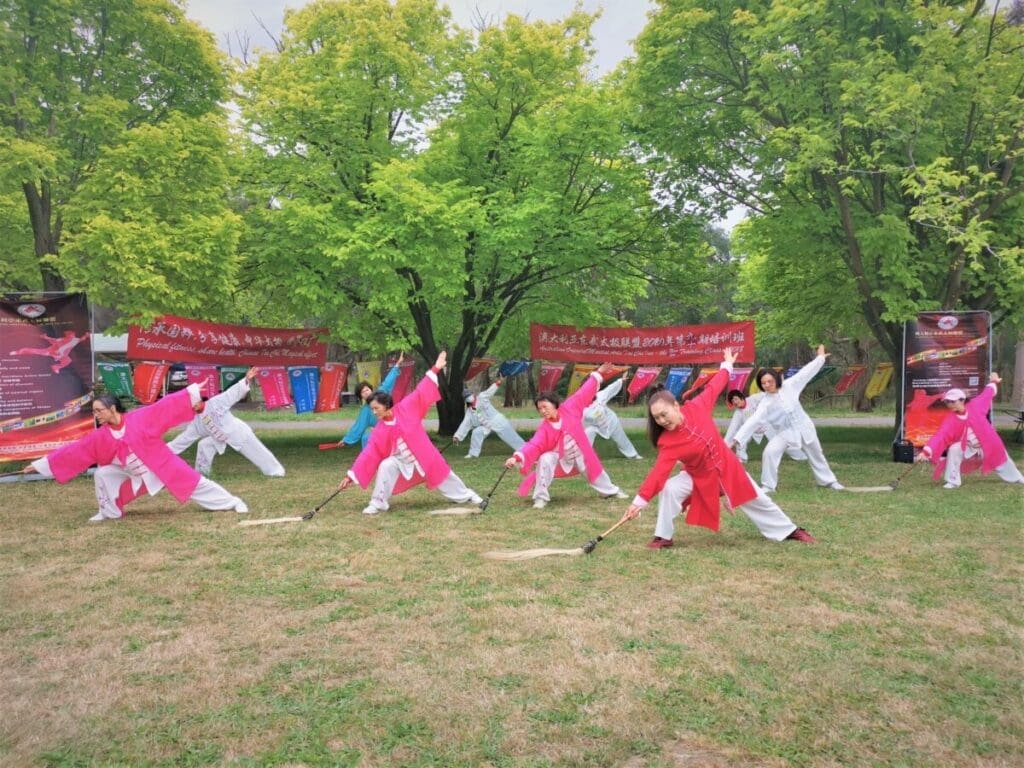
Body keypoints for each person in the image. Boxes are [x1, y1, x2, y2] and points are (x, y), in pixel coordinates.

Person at [619, 348, 815, 548]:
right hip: (699, 476)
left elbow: (715, 385)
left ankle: (790, 530)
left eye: (664, 414)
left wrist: (727, 365)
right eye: (657, 418)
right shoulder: (667, 442)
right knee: (670, 488)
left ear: (676, 406)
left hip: (728, 467)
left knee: (757, 499)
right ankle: (663, 536)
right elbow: (657, 475)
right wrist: (638, 503)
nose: (662, 420)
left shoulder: (697, 406)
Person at [18, 387, 248, 522]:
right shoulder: (100, 436)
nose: (96, 415)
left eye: (99, 410)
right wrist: (40, 465)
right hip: (132, 474)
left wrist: (191, 393)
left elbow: (164, 407)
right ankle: (108, 512)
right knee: (103, 474)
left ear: (112, 409)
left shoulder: (140, 418)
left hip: (160, 464)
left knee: (198, 484)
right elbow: (73, 452)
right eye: (94, 411)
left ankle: (233, 502)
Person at [338, 351, 482, 514]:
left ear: (386, 405)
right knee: (386, 465)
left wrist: (435, 369)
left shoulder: (406, 407)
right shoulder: (380, 429)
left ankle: (467, 495)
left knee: (444, 475)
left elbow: (420, 392)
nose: (374, 413)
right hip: (400, 460)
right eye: (372, 410)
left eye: (377, 408)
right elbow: (369, 453)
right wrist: (351, 476)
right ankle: (378, 502)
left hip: (423, 453)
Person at [504, 362, 629, 510]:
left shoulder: (570, 407)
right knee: (545, 459)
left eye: (545, 406)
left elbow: (584, 391)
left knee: (595, 470)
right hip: (560, 457)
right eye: (540, 409)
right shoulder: (544, 428)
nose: (543, 411)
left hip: (580, 451)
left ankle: (610, 491)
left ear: (554, 404)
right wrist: (516, 457)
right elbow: (534, 444)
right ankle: (540, 498)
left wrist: (599, 372)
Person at [729, 345, 844, 493]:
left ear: (775, 379)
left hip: (805, 427)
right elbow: (753, 421)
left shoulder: (790, 386)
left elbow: (805, 373)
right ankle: (768, 486)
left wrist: (820, 358)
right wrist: (736, 440)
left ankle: (829, 481)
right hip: (785, 433)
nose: (767, 385)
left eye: (769, 381)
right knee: (770, 452)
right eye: (763, 383)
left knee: (817, 454)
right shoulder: (765, 402)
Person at [166, 367, 285, 477]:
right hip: (219, 438)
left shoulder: (215, 403)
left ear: (198, 399)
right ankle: (202, 474)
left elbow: (231, 394)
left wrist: (246, 379)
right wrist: (164, 450)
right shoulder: (196, 422)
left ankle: (275, 471)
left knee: (257, 451)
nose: (193, 405)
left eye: (194, 402)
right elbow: (184, 439)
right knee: (204, 445)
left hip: (237, 432)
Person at [915, 373, 1024, 489]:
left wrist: (994, 381)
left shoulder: (977, 404)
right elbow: (941, 435)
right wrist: (926, 452)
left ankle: (1017, 477)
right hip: (968, 446)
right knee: (954, 449)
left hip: (988, 442)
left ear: (962, 400)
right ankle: (953, 481)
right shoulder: (951, 419)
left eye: (953, 401)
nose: (950, 405)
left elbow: (988, 393)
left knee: (1002, 459)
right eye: (947, 402)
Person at [339, 352, 404, 449]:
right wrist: (346, 440)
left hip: (396, 427)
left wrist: (397, 364)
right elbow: (358, 427)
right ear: (361, 396)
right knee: (366, 438)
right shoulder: (365, 411)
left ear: (371, 389)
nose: (366, 392)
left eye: (367, 389)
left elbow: (388, 381)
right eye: (362, 392)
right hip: (382, 434)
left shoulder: (381, 393)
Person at [723, 389, 806, 464]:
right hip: (751, 430)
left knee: (783, 440)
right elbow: (732, 429)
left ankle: (800, 456)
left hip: (766, 425)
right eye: (733, 401)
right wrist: (724, 445)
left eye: (736, 399)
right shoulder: (738, 413)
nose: (735, 402)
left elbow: (767, 395)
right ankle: (741, 459)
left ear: (741, 397)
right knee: (739, 438)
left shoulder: (753, 399)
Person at [453, 377, 525, 458]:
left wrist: (498, 383)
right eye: (466, 398)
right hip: (485, 426)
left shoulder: (482, 397)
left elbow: (489, 391)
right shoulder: (470, 411)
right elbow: (465, 424)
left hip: (497, 420)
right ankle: (473, 453)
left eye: (468, 395)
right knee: (476, 432)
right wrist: (457, 436)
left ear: (472, 394)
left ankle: (525, 450)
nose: (468, 398)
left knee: (511, 436)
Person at [583, 377, 642, 459]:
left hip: (611, 421)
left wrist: (620, 381)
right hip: (595, 426)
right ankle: (584, 456)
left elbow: (611, 389)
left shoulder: (601, 395)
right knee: (588, 432)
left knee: (621, 438)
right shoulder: (581, 407)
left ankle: (633, 455)